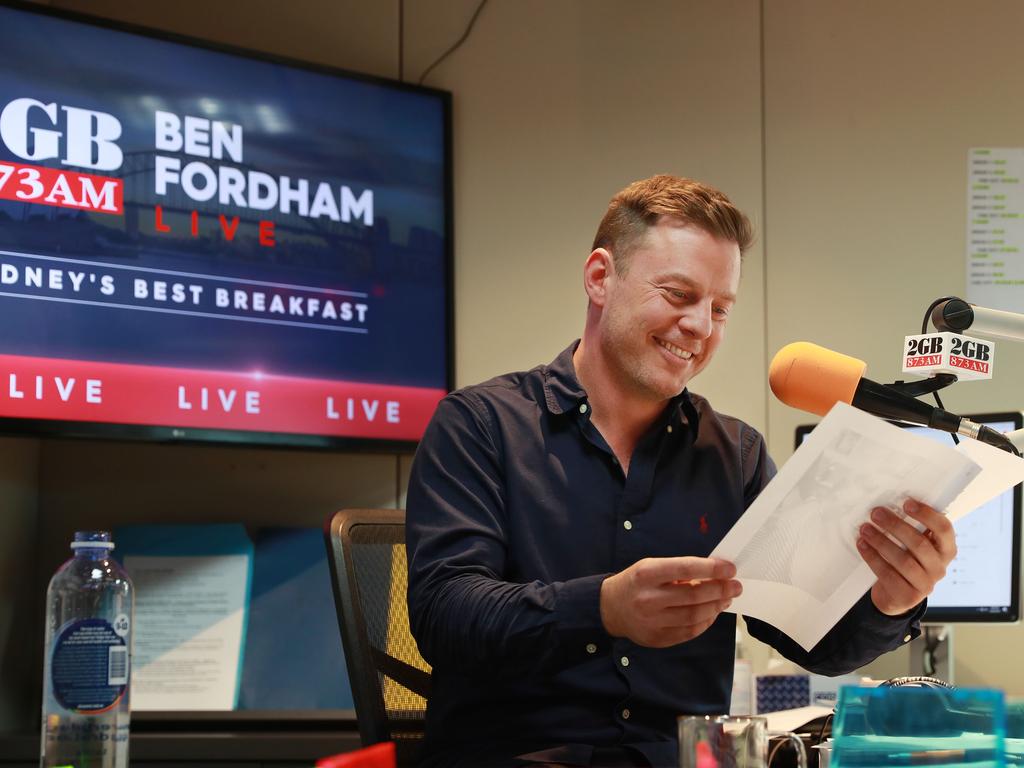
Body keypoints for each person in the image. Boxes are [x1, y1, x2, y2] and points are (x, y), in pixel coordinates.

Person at [405, 175, 956, 768]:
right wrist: (603, 609)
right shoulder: (479, 425)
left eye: (720, 309)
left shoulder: (735, 452)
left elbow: (804, 637)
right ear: (599, 278)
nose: (700, 325)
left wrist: (889, 603)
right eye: (677, 294)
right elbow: (445, 617)